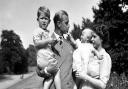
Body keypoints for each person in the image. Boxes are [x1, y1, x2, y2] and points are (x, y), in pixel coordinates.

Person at [36, 10, 74, 89]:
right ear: (59, 24)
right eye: (66, 23)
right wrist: (46, 71)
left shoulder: (70, 44)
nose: (69, 25)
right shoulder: (46, 42)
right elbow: (38, 69)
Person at [33, 6, 61, 89]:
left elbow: (49, 46)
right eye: (42, 18)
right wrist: (48, 41)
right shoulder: (37, 31)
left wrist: (53, 42)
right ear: (37, 20)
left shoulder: (47, 33)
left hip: (45, 59)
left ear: (49, 21)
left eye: (46, 19)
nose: (44, 21)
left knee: (50, 77)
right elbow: (37, 44)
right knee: (57, 71)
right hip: (44, 59)